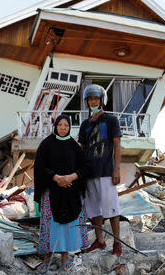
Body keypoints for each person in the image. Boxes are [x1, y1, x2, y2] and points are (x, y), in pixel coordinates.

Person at [34, 114, 89, 273]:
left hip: (70, 192)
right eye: (60, 125)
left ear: (70, 127)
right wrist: (56, 177)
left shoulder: (74, 146)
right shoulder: (47, 144)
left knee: (66, 225)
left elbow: (84, 167)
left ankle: (65, 258)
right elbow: (40, 165)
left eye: (66, 125)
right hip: (51, 191)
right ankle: (47, 258)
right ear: (55, 126)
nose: (63, 128)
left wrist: (72, 177)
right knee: (51, 224)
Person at [78, 84, 123, 256]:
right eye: (90, 99)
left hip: (106, 171)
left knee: (112, 209)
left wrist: (117, 169)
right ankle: (100, 240)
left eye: (96, 98)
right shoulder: (85, 125)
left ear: (102, 100)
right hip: (89, 173)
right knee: (94, 209)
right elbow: (82, 149)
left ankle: (117, 243)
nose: (93, 101)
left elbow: (118, 146)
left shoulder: (111, 120)